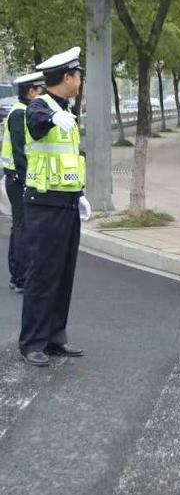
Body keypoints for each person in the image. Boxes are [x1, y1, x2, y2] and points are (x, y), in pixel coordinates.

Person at [19, 47, 89, 367]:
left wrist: (80, 192)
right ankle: (33, 341)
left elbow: (70, 158)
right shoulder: (40, 106)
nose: (80, 81)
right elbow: (35, 122)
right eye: (78, 76)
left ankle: (55, 336)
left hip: (67, 202)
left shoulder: (67, 110)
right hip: (44, 206)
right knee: (42, 275)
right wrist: (51, 117)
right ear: (66, 77)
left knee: (63, 275)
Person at [1, 71, 44, 293]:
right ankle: (20, 278)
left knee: (20, 226)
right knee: (22, 228)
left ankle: (17, 275)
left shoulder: (23, 111)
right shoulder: (20, 114)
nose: (42, 94)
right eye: (40, 90)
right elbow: (20, 152)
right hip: (18, 180)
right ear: (30, 92)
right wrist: (29, 180)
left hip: (16, 179)